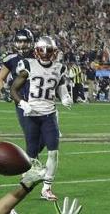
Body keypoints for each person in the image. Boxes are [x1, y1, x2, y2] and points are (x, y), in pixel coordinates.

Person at [9, 36, 71, 202]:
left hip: (49, 114)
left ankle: (47, 187)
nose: (45, 54)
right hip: (32, 115)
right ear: (36, 51)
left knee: (53, 152)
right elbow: (13, 89)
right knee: (32, 153)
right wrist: (22, 102)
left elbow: (61, 87)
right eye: (42, 50)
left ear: (54, 52)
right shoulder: (29, 65)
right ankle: (29, 180)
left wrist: (65, 97)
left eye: (48, 50)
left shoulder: (59, 68)